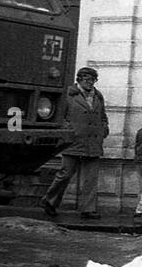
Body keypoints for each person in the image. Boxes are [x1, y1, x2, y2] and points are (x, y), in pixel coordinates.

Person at [40, 66, 109, 220]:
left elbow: (103, 116)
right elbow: (60, 116)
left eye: (93, 80)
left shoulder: (98, 96)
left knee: (90, 178)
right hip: (73, 142)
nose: (91, 83)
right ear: (79, 79)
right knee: (65, 174)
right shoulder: (68, 94)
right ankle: (49, 201)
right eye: (87, 79)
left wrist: (104, 128)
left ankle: (88, 209)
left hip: (93, 142)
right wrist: (69, 130)